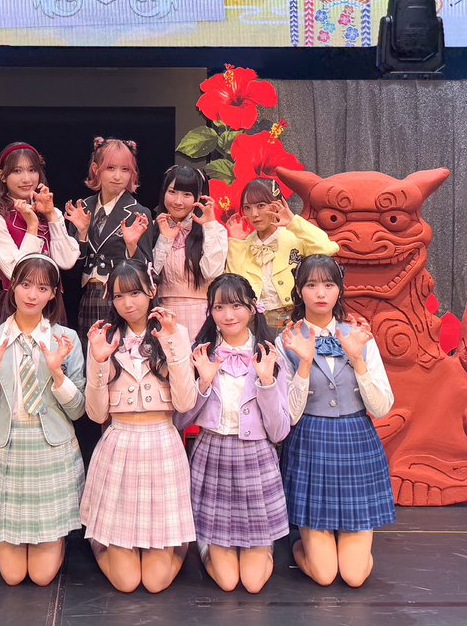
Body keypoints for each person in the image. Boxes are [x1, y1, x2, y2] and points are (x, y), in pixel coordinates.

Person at [81, 260, 197, 594]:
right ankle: (100, 540)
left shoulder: (175, 333)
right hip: (120, 444)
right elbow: (96, 413)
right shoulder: (104, 337)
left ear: (152, 291)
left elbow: (185, 403)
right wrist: (99, 362)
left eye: (134, 293)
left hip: (162, 443)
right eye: (119, 296)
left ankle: (177, 542)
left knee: (156, 582)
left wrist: (173, 344)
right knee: (127, 582)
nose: (127, 303)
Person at [280, 254, 395, 588]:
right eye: (311, 285)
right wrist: (303, 364)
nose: (321, 293)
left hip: (356, 444)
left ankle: (339, 541)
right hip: (310, 446)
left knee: (354, 576)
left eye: (329, 285)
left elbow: (381, 408)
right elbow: (289, 416)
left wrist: (358, 359)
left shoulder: (358, 335)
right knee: (324, 574)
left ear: (339, 290)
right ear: (299, 291)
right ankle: (299, 542)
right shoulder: (287, 340)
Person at [0, 253, 86, 586]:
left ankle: (58, 539)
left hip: (52, 451)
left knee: (41, 577)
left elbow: (78, 410)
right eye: (25, 284)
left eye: (42, 288)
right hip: (6, 450)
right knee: (11, 577)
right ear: (12, 287)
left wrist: (56, 372)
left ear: (53, 294)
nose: (32, 295)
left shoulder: (66, 340)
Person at [178, 273, 290, 593]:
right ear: (210, 311)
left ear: (253, 308)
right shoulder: (200, 353)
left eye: (237, 306)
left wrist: (266, 382)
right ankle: (208, 543)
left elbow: (279, 431)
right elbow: (181, 421)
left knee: (253, 584)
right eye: (219, 307)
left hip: (256, 459)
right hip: (212, 455)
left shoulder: (270, 354)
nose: (228, 315)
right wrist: (203, 382)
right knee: (227, 582)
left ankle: (262, 543)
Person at [0, 142, 79, 328]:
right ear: (2, 175)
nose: (26, 178)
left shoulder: (51, 212)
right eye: (17, 171)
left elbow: (66, 261)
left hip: (50, 305)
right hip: (14, 306)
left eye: (32, 170)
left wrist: (51, 215)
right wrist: (32, 226)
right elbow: (14, 272)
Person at [64, 137, 152, 337]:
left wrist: (131, 245)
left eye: (125, 169)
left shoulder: (138, 213)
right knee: (90, 352)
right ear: (96, 169)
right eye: (110, 168)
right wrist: (82, 235)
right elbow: (71, 271)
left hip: (122, 298)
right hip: (88, 297)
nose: (118, 176)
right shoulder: (82, 208)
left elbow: (148, 272)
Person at [225, 178, 339, 329]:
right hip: (254, 323)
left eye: (261, 206)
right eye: (247, 207)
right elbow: (232, 283)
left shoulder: (295, 236)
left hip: (294, 319)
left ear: (277, 204)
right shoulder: (243, 244)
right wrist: (236, 242)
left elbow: (327, 249)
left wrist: (293, 222)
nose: (254, 214)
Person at [150, 164, 227, 333]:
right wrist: (165, 239)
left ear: (199, 197)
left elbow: (212, 273)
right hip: (162, 312)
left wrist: (209, 226)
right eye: (172, 192)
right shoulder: (153, 228)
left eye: (187, 194)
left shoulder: (213, 230)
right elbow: (149, 276)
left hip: (202, 314)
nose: (178, 201)